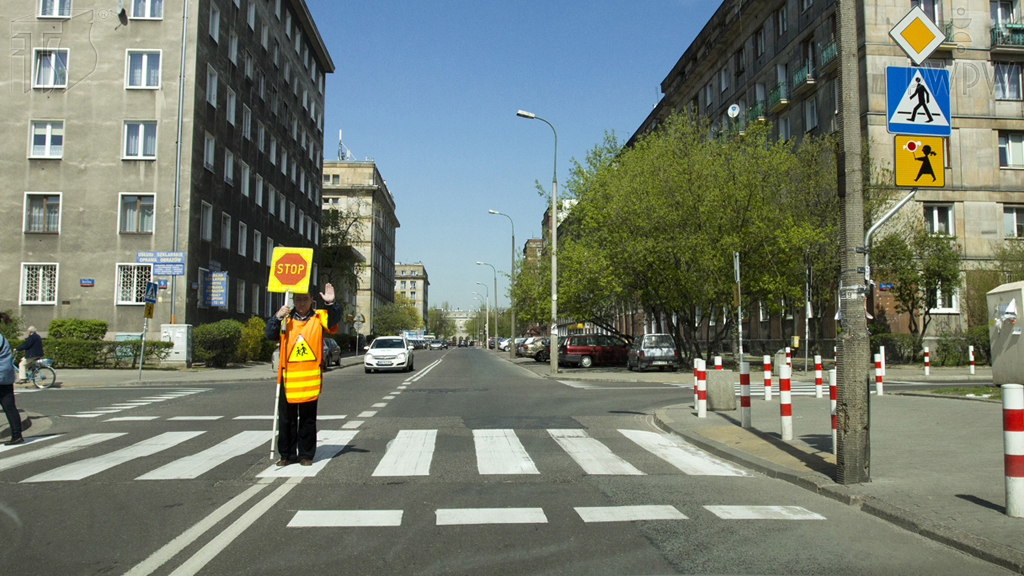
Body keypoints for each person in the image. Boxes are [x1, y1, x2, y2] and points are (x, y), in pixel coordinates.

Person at [264, 284, 339, 467]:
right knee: (286, 419)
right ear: (293, 301)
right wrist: (276, 317)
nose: (301, 303)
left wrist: (331, 303)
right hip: (287, 377)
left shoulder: (319, 317)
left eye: (305, 299)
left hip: (309, 379)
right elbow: (269, 334)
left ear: (311, 300)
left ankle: (306, 454)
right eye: (298, 299)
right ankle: (287, 455)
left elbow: (333, 321)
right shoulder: (285, 319)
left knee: (307, 419)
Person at [0, 333, 24, 445]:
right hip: (6, 377)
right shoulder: (2, 338)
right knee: (10, 407)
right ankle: (17, 435)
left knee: (9, 408)